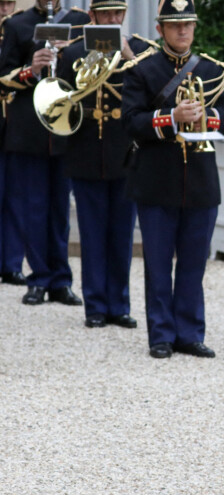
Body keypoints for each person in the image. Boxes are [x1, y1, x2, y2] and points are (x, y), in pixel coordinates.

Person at [122, 0, 224, 359]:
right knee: (157, 263)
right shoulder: (142, 69)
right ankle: (161, 335)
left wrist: (208, 116)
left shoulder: (213, 70)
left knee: (193, 262)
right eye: (175, 25)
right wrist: (171, 116)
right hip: (156, 181)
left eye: (188, 24)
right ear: (160, 30)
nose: (183, 31)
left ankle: (189, 332)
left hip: (200, 181)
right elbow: (131, 121)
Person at [57, 1, 153, 329]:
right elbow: (58, 104)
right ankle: (95, 306)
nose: (113, 20)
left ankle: (119, 305)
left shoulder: (138, 50)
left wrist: (127, 56)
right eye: (106, 15)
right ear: (92, 17)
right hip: (85, 154)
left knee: (122, 236)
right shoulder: (72, 54)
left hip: (125, 154)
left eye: (118, 14)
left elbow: (153, 85)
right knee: (92, 235)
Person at [0, 0, 89, 305]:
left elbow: (90, 74)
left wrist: (67, 56)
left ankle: (61, 281)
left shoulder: (80, 22)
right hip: (30, 129)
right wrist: (31, 69)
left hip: (66, 130)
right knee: (34, 209)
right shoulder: (17, 24)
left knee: (61, 210)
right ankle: (38, 279)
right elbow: (2, 77)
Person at [0, 0, 26, 286]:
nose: (5, 10)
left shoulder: (19, 31)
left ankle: (12, 263)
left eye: (9, 3)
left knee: (16, 198)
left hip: (14, 126)